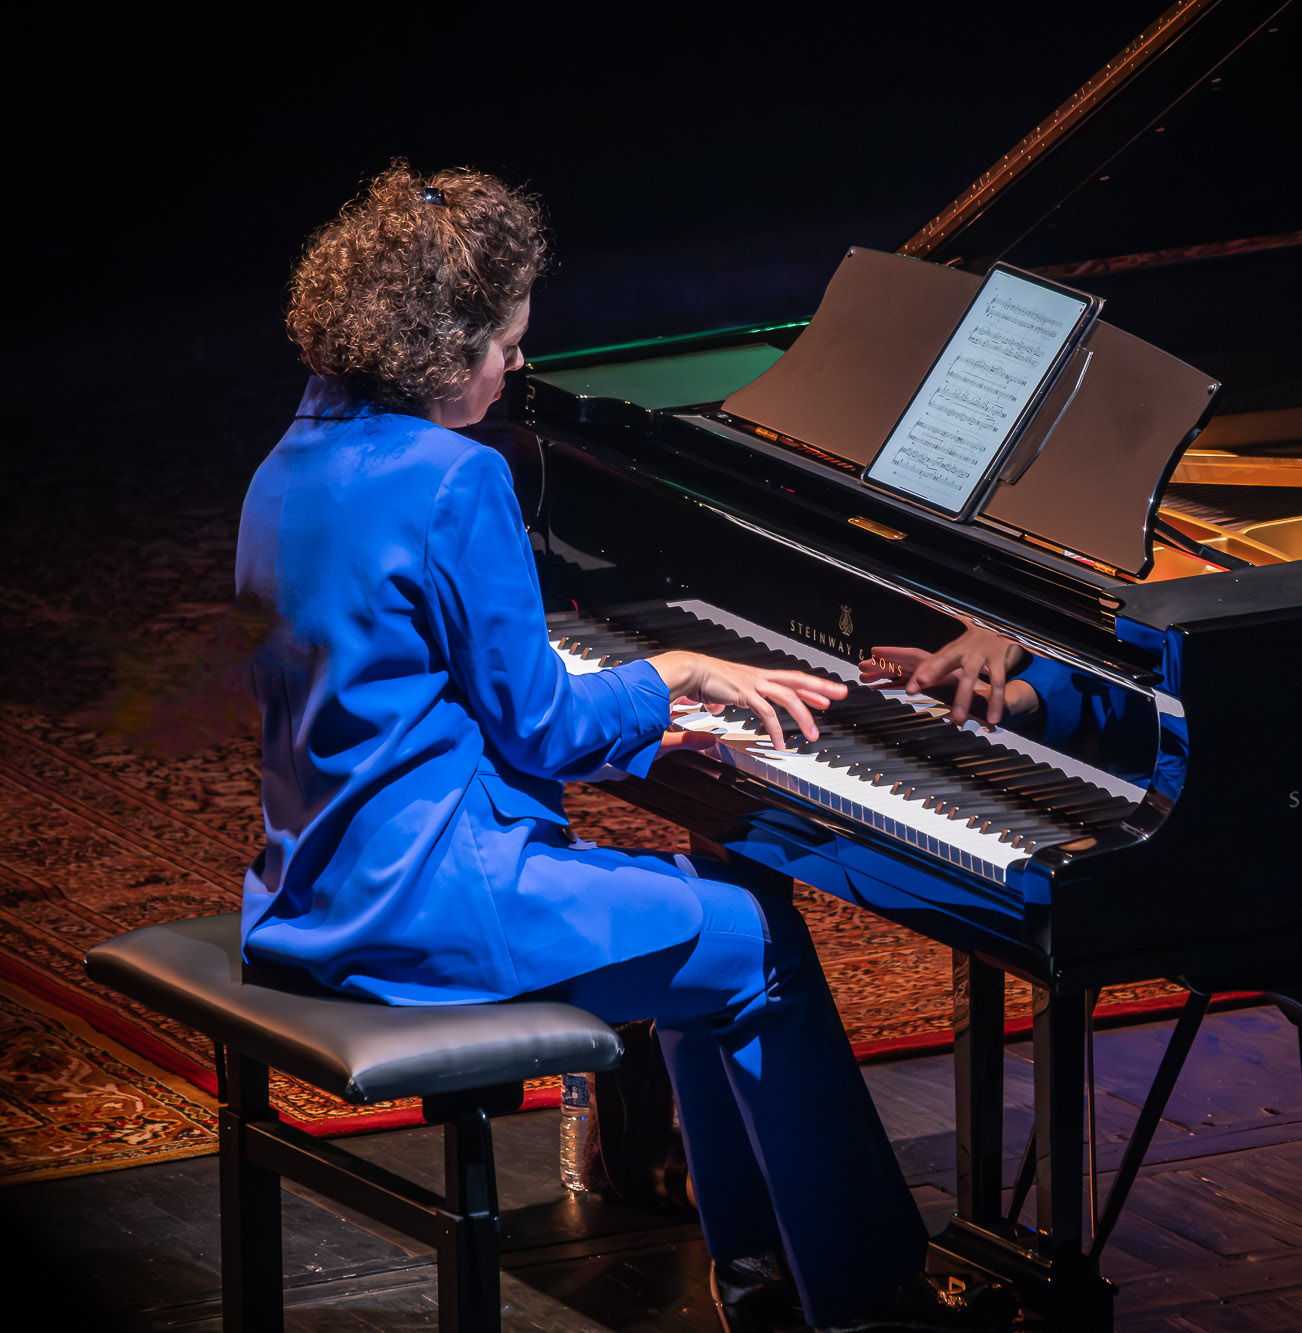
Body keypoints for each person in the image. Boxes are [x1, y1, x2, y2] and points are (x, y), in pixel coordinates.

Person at [237, 161, 1002, 1332]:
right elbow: (541, 724)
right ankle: (867, 1307)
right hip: (438, 905)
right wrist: (675, 674)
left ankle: (760, 1278)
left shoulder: (289, 461)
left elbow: (426, 693)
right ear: (438, 350)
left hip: (316, 890)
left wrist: (643, 716)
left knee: (702, 925)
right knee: (759, 947)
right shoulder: (457, 479)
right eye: (505, 344)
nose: (516, 366)